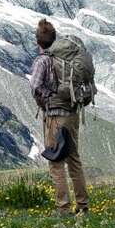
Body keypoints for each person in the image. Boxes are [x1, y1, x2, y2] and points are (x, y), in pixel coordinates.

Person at [29, 19, 89, 215]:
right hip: (72, 113)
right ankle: (82, 205)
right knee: (73, 159)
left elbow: (35, 86)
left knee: (56, 162)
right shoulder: (62, 58)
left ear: (38, 41)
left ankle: (62, 208)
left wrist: (46, 98)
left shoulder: (43, 60)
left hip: (55, 116)